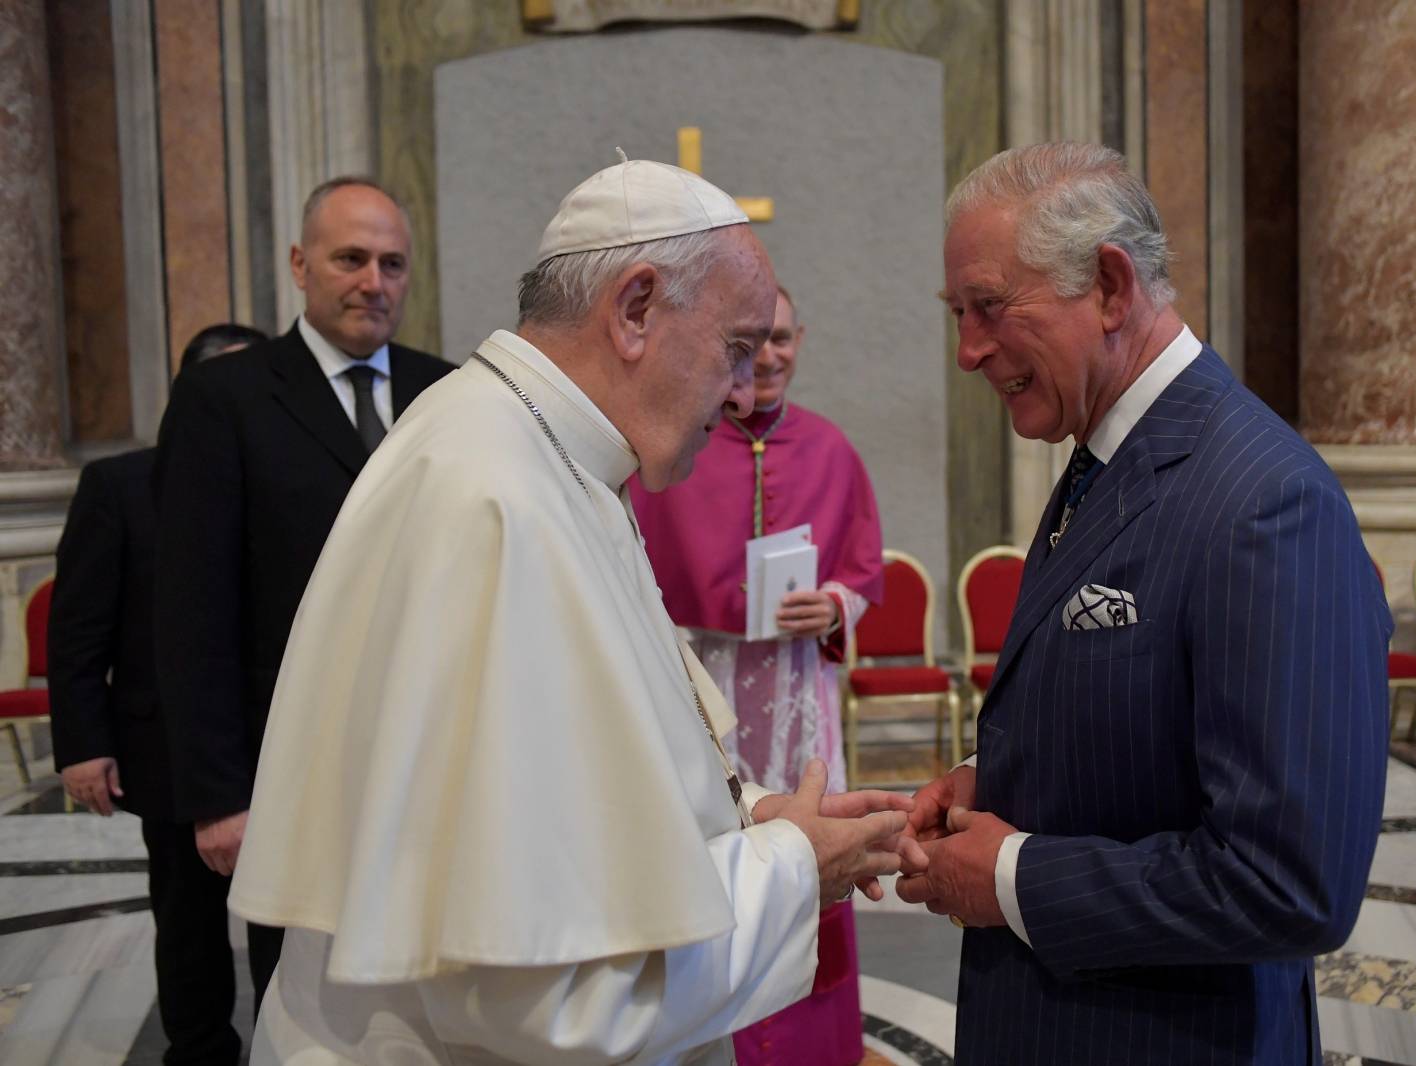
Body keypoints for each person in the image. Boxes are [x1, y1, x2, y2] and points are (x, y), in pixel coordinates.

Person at [227, 158, 912, 1065]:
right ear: (635, 309)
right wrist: (793, 869)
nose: (742, 392)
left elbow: (600, 763)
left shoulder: (545, 452)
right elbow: (558, 994)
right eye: (735, 349)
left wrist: (747, 814)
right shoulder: (498, 497)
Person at [896, 142, 1391, 1063]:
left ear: (1112, 288)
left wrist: (1008, 876)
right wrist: (993, 781)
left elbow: (1288, 883)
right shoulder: (1104, 454)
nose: (967, 351)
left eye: (991, 309)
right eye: (958, 315)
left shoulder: (1264, 501)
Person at [153, 177, 453, 1011]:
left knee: (432, 991)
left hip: (430, 753)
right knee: (311, 1004)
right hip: (293, 762)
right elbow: (190, 609)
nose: (374, 282)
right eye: (350, 258)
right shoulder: (225, 399)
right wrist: (219, 795)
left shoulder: (449, 391)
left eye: (393, 263)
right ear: (299, 264)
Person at [630, 285, 883, 1066]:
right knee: (717, 845)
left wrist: (835, 606)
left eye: (783, 339)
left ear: (801, 340)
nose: (769, 357)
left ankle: (811, 1044)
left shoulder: (832, 447)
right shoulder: (677, 445)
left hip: (796, 688)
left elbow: (864, 571)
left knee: (815, 850)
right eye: (755, 341)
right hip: (704, 679)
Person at [49, 322, 267, 1066]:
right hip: (169, 744)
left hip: (277, 738)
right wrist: (83, 745)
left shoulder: (287, 482)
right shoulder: (119, 485)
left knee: (287, 924)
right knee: (188, 922)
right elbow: (78, 630)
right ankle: (200, 1051)